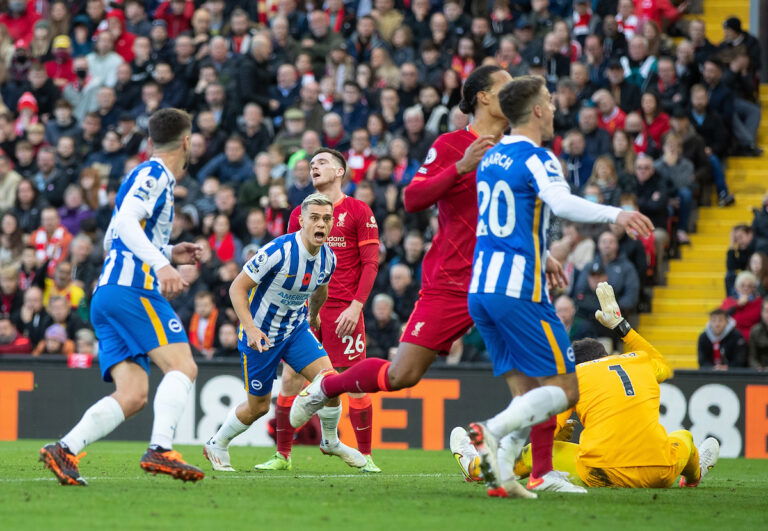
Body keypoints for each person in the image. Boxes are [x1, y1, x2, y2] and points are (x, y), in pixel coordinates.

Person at [456, 74, 652, 497]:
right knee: (564, 389)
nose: (555, 107)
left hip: (483, 289)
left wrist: (542, 253)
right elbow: (561, 203)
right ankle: (489, 432)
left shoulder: (490, 157)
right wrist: (615, 214)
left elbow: (497, 221)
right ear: (539, 110)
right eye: (550, 99)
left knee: (527, 392)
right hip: (519, 293)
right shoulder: (538, 157)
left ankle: (513, 474)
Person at [39, 108, 205, 486]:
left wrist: (168, 251)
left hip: (109, 293)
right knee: (183, 367)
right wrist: (161, 267)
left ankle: (64, 448)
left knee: (132, 395)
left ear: (150, 140)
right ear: (185, 141)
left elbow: (116, 233)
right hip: (134, 289)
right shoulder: (155, 173)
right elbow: (127, 224)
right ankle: (161, 449)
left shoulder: (138, 174)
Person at [202, 193, 367, 472]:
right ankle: (216, 443)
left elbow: (321, 289)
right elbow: (237, 288)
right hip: (261, 337)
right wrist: (251, 329)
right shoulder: (277, 251)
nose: (321, 224)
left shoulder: (328, 257)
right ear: (301, 221)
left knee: (331, 382)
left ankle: (330, 441)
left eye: (327, 219)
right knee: (258, 407)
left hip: (295, 330)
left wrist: (313, 315)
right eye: (314, 218)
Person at [514, 282, 720, 488]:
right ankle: (694, 476)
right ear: (607, 355)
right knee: (683, 437)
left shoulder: (574, 377)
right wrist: (622, 327)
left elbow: (546, 429)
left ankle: (498, 471)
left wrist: (557, 434)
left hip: (601, 473)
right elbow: (664, 366)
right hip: (659, 472)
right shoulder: (637, 361)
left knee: (539, 450)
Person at [253, 148, 381, 473]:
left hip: (344, 312)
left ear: (340, 171)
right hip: (304, 310)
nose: (314, 167)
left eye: (322, 162)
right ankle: (282, 456)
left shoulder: (358, 210)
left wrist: (356, 305)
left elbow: (370, 263)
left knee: (354, 383)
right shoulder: (300, 211)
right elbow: (288, 261)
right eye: (311, 164)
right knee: (291, 381)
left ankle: (366, 456)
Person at [720, 271, 763, 342]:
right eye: (742, 285)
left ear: (754, 288)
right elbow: (721, 316)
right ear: (736, 287)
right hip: (732, 338)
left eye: (749, 286)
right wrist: (737, 304)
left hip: (753, 338)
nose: (746, 288)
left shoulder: (759, 302)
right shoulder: (729, 301)